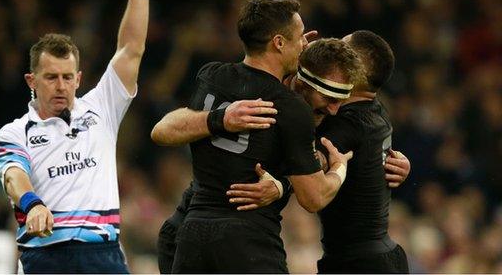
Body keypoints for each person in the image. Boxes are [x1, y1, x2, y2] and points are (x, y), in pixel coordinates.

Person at [153, 33, 411, 273]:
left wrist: (282, 184)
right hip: (207, 233)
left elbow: (314, 167)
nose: (331, 110)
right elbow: (162, 130)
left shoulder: (344, 116)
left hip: (203, 235)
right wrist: (220, 119)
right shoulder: (263, 94)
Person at [0, 0, 149, 273]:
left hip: (103, 255)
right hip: (46, 258)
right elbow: (13, 176)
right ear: (31, 81)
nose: (61, 86)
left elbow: (131, 50)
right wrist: (33, 205)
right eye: (51, 77)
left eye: (67, 77)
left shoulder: (101, 108)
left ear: (79, 78)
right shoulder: (14, 133)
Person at [228, 30, 410, 273]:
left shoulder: (344, 123)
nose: (336, 50)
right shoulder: (376, 111)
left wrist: (281, 185)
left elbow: (317, 163)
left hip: (357, 264)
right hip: (378, 258)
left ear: (356, 71)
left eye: (343, 49)